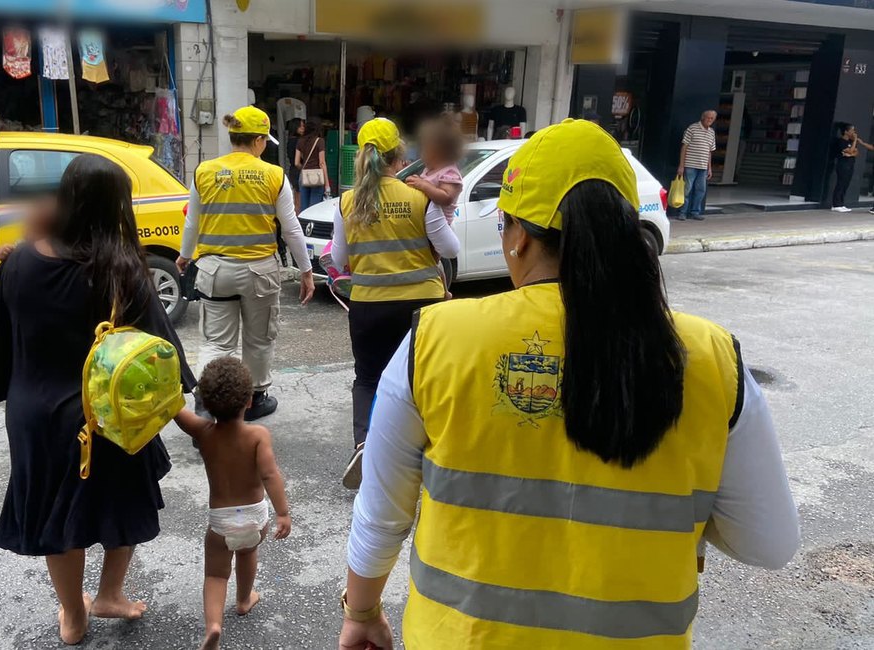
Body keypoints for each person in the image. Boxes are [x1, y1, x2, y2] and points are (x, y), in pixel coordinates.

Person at [337, 119, 799, 649]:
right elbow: (770, 545)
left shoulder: (436, 340)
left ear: (520, 239)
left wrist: (363, 611)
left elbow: (381, 517)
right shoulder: (713, 357)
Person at [0, 154, 196, 646]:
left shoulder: (23, 261)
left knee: (59, 517)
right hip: (113, 416)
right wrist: (187, 410)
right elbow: (161, 355)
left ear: (65, 197)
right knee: (124, 501)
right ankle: (111, 593)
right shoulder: (126, 269)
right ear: (118, 205)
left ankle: (73, 615)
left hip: (36, 413)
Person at [330, 117, 460, 489]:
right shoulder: (419, 196)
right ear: (398, 156)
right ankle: (424, 450)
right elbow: (451, 249)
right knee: (421, 379)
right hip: (422, 305)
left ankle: (364, 444)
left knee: (368, 378)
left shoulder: (347, 202)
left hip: (369, 304)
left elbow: (339, 259)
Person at [177, 106, 315, 422]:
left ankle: (206, 402)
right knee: (259, 338)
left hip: (214, 272)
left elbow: (192, 224)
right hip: (259, 274)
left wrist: (185, 256)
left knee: (216, 343)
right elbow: (291, 229)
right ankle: (253, 399)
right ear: (258, 140)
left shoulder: (204, 171)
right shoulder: (273, 175)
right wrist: (306, 271)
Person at [173, 357, 292, 650]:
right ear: (249, 401)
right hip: (254, 517)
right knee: (247, 553)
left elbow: (173, 410)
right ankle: (243, 599)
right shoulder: (257, 436)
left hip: (221, 523)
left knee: (215, 573)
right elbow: (269, 474)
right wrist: (283, 513)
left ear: (206, 404)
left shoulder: (203, 433)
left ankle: (214, 626)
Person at [405, 117, 465, 297]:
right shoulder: (429, 170)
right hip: (424, 223)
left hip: (440, 224)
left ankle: (444, 291)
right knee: (428, 262)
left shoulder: (449, 171)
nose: (422, 155)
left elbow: (446, 198)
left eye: (426, 150)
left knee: (432, 262)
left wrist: (423, 185)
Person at [676, 110, 717, 221]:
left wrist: (709, 168)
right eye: (708, 118)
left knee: (701, 190)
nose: (709, 120)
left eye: (712, 118)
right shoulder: (692, 128)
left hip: (703, 167)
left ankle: (695, 212)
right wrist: (681, 165)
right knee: (687, 189)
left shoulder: (711, 132)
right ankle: (683, 212)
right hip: (690, 165)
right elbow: (684, 147)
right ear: (703, 117)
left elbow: (710, 151)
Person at [828, 122, 874, 213]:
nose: (854, 132)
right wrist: (853, 144)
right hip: (842, 165)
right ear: (846, 132)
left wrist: (851, 152)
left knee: (845, 184)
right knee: (840, 184)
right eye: (852, 130)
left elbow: (855, 152)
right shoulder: (841, 141)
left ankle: (841, 203)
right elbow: (850, 151)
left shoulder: (851, 142)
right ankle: (836, 204)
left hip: (850, 165)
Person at [295, 118, 331, 212]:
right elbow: (322, 163)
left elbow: (296, 162)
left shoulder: (300, 141)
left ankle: (303, 226)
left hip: (303, 176)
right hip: (317, 177)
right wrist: (327, 184)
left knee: (304, 209)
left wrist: (304, 169)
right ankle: (312, 226)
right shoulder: (320, 141)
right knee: (314, 209)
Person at [285, 118, 305, 214]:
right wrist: (303, 168)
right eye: (300, 126)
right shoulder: (298, 141)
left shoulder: (290, 140)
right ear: (295, 127)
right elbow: (298, 161)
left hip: (292, 171)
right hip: (298, 171)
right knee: (299, 201)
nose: (303, 128)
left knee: (296, 198)